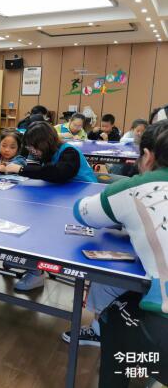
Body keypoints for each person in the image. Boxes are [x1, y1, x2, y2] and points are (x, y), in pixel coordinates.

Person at [73, 120, 168, 387]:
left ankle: (151, 373)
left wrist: (126, 215)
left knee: (113, 317)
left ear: (147, 156)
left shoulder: (136, 188)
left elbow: (82, 212)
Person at [0, 122, 97, 291]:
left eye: (33, 146)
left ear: (44, 143)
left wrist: (20, 170)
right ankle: (26, 259)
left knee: (42, 228)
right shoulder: (48, 152)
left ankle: (36, 273)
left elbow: (57, 173)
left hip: (83, 202)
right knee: (31, 216)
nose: (31, 150)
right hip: (62, 196)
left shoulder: (69, 152)